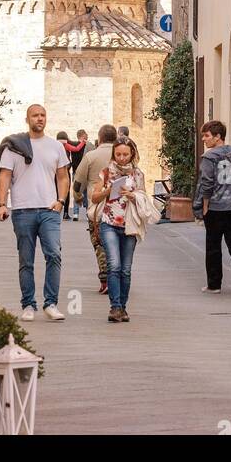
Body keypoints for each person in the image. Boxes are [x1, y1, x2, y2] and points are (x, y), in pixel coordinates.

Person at [0, 104, 70, 322]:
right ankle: (28, 304)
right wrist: (2, 204)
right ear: (27, 119)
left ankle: (51, 303)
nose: (40, 118)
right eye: (35, 115)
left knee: (54, 254)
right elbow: (5, 176)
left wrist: (61, 201)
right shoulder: (14, 147)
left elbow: (63, 176)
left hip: (49, 210)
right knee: (26, 260)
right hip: (22, 210)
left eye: (43, 115)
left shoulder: (56, 146)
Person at [192, 120, 231, 297]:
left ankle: (214, 284)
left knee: (213, 246)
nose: (204, 140)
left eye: (207, 136)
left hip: (216, 207)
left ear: (218, 136)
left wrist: (204, 206)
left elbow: (206, 183)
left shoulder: (209, 157)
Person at [91, 137, 146, 323]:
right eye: (118, 154)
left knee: (126, 269)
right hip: (109, 223)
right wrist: (108, 191)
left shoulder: (138, 175)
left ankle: (123, 307)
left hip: (129, 225)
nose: (122, 158)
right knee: (114, 265)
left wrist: (132, 196)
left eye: (125, 154)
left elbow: (144, 199)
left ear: (132, 154)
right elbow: (94, 198)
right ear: (113, 154)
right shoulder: (106, 172)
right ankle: (114, 307)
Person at [72, 123, 117, 293]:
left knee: (99, 242)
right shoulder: (123, 154)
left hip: (97, 207)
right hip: (119, 206)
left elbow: (78, 181)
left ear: (100, 138)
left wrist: (78, 197)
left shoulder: (91, 156)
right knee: (118, 242)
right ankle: (118, 275)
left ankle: (105, 278)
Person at [62, 131, 88, 220]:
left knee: (76, 192)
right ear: (82, 136)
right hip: (84, 172)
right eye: (86, 135)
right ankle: (88, 214)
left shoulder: (72, 144)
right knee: (86, 192)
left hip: (75, 171)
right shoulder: (86, 145)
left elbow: (74, 148)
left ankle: (76, 214)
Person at [56, 131, 74, 219]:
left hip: (56, 172)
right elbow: (76, 149)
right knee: (66, 191)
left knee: (56, 191)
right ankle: (65, 213)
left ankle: (55, 210)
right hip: (66, 171)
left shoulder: (54, 146)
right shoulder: (67, 146)